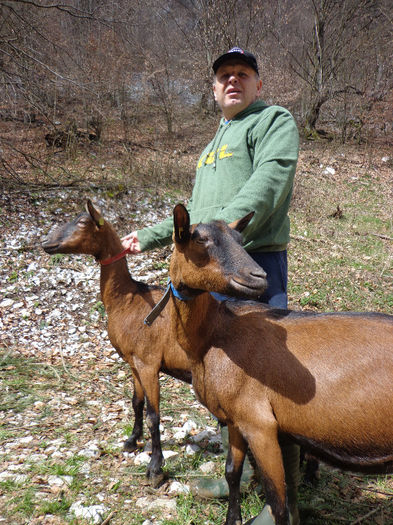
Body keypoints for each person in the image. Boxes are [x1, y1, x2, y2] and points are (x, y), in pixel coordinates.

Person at [122, 47, 300, 525]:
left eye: (243, 74)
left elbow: (270, 181)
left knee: (269, 379)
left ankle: (281, 501)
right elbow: (195, 217)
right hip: (206, 272)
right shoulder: (212, 144)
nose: (233, 80)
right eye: (224, 75)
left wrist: (223, 231)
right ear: (214, 87)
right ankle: (235, 473)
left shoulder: (272, 121)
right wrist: (153, 235)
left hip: (249, 262)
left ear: (258, 84)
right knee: (222, 381)